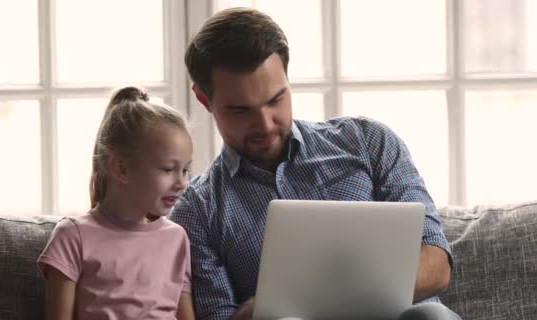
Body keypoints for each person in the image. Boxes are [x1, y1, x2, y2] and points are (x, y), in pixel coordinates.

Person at [171, 7, 461, 320]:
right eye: (241, 111)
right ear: (204, 99)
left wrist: (312, 296)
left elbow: (436, 266)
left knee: (432, 317)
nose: (265, 124)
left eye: (275, 100)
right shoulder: (198, 210)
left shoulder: (367, 141)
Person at [38, 87, 195, 320]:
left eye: (185, 170)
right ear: (121, 168)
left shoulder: (176, 239)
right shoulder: (72, 236)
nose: (182, 183)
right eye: (168, 170)